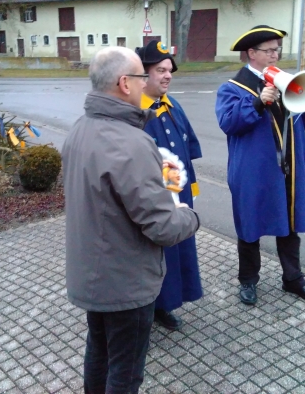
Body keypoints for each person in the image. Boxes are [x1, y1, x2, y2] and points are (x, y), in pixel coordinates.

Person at [62, 46, 200, 393]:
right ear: (125, 83)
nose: (146, 83)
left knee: (99, 352)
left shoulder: (81, 128)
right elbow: (163, 227)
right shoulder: (130, 143)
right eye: (142, 76)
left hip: (93, 274)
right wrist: (190, 216)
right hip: (126, 282)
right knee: (125, 371)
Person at [215, 25, 305, 305]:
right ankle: (248, 280)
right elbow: (228, 123)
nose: (275, 55)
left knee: (290, 223)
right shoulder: (231, 88)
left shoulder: (286, 81)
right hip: (253, 170)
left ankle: (293, 279)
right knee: (250, 223)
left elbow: (303, 124)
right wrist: (257, 103)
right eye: (269, 50)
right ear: (251, 53)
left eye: (277, 50)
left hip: (288, 167)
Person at [136, 40, 203, 331]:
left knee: (175, 254)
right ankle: (143, 313)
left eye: (169, 70)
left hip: (179, 198)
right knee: (149, 257)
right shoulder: (133, 113)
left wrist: (192, 193)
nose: (167, 76)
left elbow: (188, 153)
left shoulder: (172, 105)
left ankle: (164, 305)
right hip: (152, 202)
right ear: (142, 75)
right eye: (160, 70)